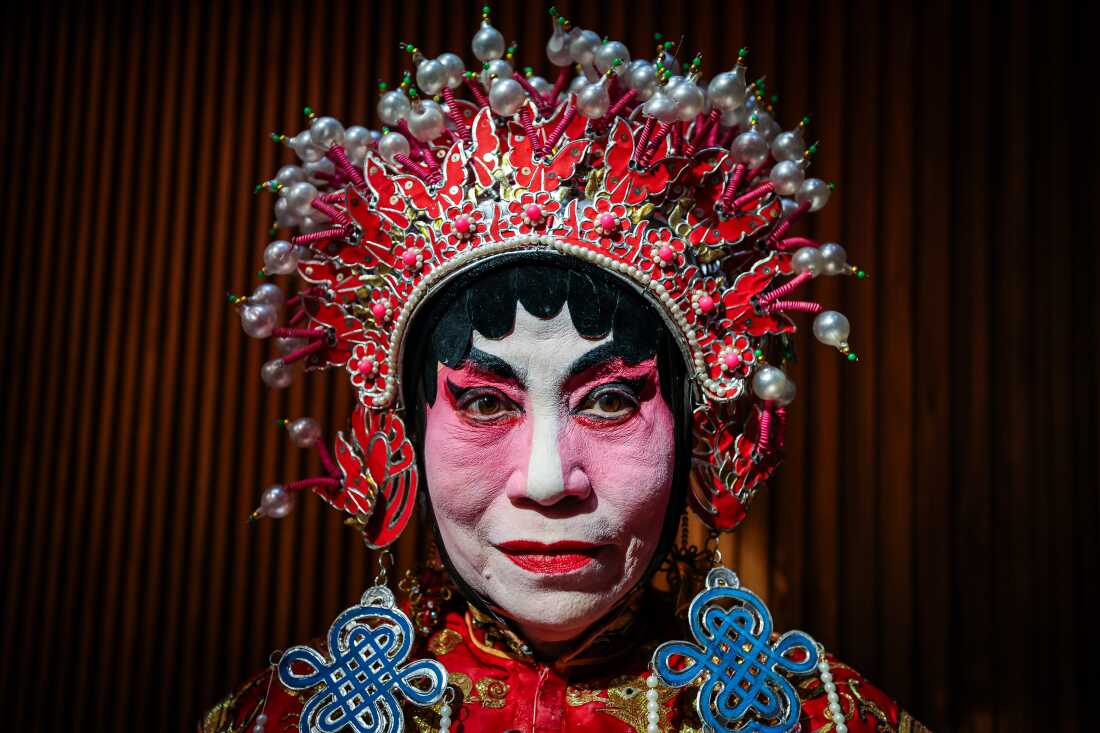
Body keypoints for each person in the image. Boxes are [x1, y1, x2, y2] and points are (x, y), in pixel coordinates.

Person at [205, 8, 927, 733]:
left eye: (609, 401)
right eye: (485, 404)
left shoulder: (825, 718)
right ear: (400, 442)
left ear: (699, 440)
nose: (549, 481)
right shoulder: (282, 718)